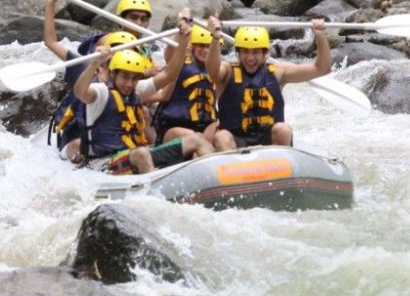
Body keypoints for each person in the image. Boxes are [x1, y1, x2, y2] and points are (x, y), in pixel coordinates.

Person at [74, 11, 214, 174]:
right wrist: (93, 65)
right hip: (103, 164)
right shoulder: (101, 93)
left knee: (195, 140)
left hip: (135, 158)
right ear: (113, 74)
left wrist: (183, 41)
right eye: (125, 77)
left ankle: (219, 179)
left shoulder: (137, 90)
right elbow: (80, 91)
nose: (129, 83)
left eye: (134, 78)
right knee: (141, 152)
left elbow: (169, 74)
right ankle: (157, 191)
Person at [205, 17, 331, 150]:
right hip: (236, 140)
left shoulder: (279, 72)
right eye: (245, 52)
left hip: (268, 140)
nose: (250, 58)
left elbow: (322, 68)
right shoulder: (227, 71)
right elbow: (212, 70)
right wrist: (215, 38)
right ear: (237, 53)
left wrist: (321, 36)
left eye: (256, 52)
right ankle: (232, 168)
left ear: (265, 53)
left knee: (283, 129)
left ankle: (282, 165)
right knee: (221, 136)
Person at [43, 0, 138, 162]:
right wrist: (51, 4)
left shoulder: (129, 78)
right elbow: (51, 42)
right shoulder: (83, 64)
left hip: (107, 137)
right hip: (76, 134)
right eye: (117, 49)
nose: (123, 55)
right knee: (80, 145)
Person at [152, 24, 220, 148]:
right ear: (192, 46)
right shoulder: (180, 64)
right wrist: (180, 30)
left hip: (205, 127)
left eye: (208, 47)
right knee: (195, 139)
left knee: (222, 130)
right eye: (201, 45)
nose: (205, 50)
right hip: (175, 128)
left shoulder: (218, 71)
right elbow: (170, 54)